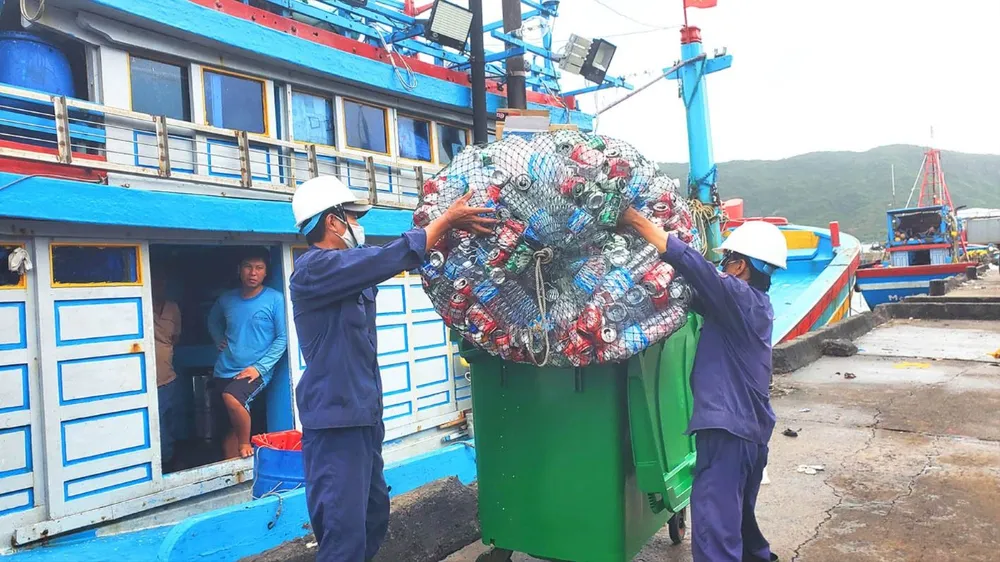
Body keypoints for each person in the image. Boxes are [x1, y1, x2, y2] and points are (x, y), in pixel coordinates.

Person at [289, 175, 494, 562]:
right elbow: (385, 258)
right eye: (352, 216)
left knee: (373, 515)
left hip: (364, 415)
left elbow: (377, 265)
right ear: (332, 221)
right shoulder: (313, 271)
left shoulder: (350, 271)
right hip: (335, 423)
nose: (357, 225)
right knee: (342, 531)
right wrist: (445, 220)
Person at [621, 208, 787, 562]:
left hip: (727, 434)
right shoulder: (757, 306)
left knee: (715, 531)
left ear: (740, 266)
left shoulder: (737, 298)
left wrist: (634, 221)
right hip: (751, 435)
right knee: (738, 521)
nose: (723, 267)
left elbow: (694, 265)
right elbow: (694, 294)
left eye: (727, 261)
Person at [208, 247, 288, 459]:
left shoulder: (275, 299)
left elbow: (283, 337)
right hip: (224, 369)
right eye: (248, 267)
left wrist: (259, 368)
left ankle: (245, 445)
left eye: (259, 268)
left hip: (254, 371)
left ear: (265, 272)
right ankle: (231, 467)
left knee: (233, 397)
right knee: (226, 428)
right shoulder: (227, 299)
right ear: (239, 270)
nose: (253, 273)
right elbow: (212, 319)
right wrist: (218, 339)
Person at [152, 267, 182, 471]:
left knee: (169, 421)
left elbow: (176, 338)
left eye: (162, 282)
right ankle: (163, 463)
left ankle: (169, 460)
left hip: (167, 376)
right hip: (146, 380)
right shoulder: (141, 304)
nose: (158, 286)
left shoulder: (172, 308)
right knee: (157, 424)